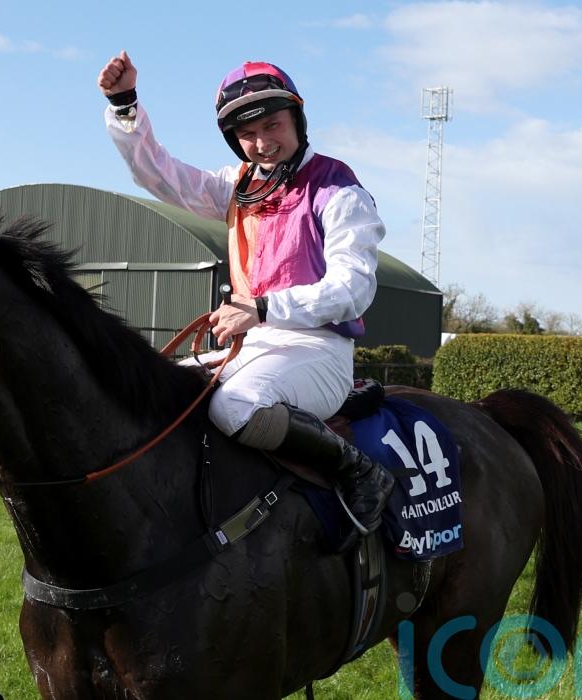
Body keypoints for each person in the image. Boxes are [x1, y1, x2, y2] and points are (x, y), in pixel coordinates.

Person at [97, 52, 394, 544]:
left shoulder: (337, 188)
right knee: (150, 391)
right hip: (252, 347)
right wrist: (124, 104)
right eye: (247, 134)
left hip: (318, 351)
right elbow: (160, 175)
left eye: (272, 125)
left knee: (234, 408)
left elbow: (353, 290)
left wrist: (261, 308)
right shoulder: (239, 186)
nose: (262, 142)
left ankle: (360, 470)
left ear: (296, 118)